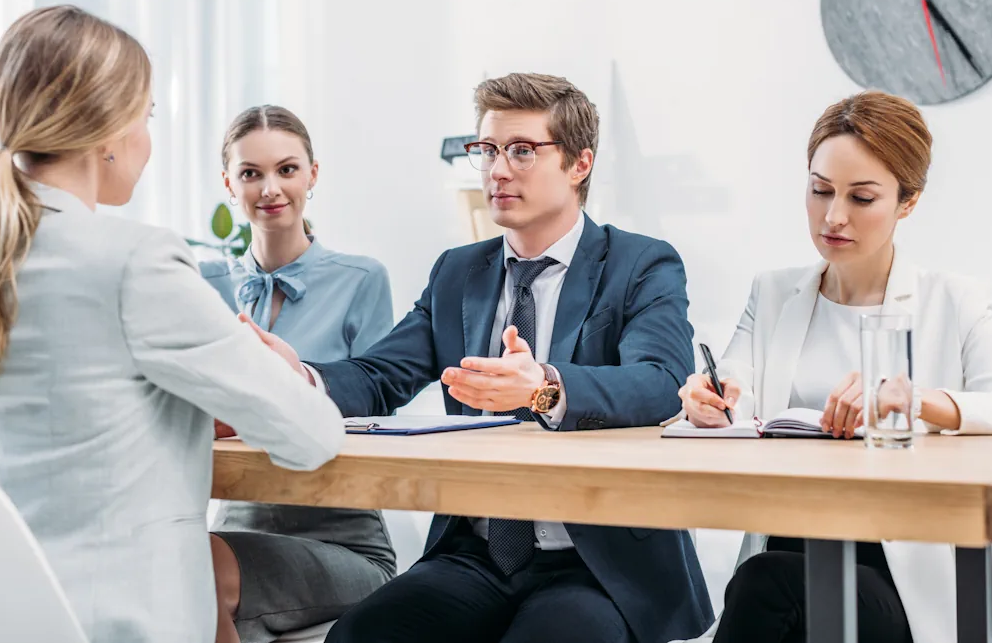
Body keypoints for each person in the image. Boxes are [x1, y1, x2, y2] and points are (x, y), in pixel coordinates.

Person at [0, 6, 345, 643]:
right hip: (132, 621)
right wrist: (288, 371)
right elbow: (310, 438)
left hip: (9, 614)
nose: (148, 139)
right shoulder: (133, 260)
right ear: (109, 130)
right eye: (146, 116)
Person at [282, 72, 713, 643]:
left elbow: (659, 383)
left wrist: (544, 388)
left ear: (580, 165)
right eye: (486, 150)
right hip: (478, 552)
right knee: (361, 634)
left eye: (522, 151)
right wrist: (295, 377)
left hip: (597, 565)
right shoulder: (458, 271)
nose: (498, 170)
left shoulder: (641, 263)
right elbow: (380, 374)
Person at [677, 90, 992, 643]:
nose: (834, 216)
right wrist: (707, 402)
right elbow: (737, 392)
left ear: (908, 201)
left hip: (903, 578)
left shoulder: (953, 301)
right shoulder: (775, 293)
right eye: (820, 190)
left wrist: (914, 400)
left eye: (862, 198)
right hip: (789, 547)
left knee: (764, 585)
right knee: (767, 582)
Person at [200, 105, 397, 643]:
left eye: (286, 169)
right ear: (228, 182)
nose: (270, 188)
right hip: (233, 525)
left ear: (313, 174)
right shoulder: (201, 282)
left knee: (197, 575)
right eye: (250, 173)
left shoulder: (361, 280)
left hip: (342, 540)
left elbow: (377, 413)